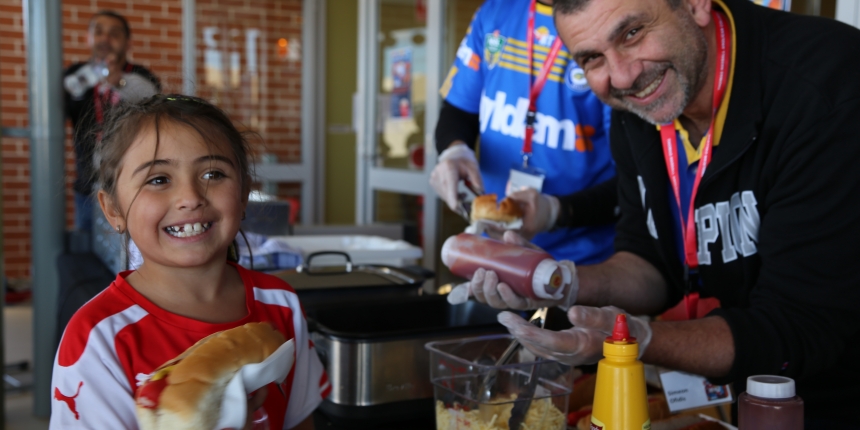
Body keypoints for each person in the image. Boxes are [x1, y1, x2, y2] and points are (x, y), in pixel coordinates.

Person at [455, 0, 860, 426]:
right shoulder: (639, 106)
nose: (623, 77)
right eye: (593, 58)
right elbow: (648, 263)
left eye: (632, 34)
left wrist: (629, 339)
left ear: (695, 5)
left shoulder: (825, 85)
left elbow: (800, 324)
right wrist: (562, 281)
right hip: (735, 399)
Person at [49, 95, 327, 430]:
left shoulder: (282, 304)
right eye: (158, 179)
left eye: (213, 173)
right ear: (113, 210)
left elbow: (300, 422)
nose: (190, 198)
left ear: (242, 196)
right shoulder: (97, 339)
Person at [432, 0, 618, 265]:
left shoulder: (605, 14)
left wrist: (555, 212)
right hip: (494, 251)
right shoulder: (496, 11)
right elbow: (458, 109)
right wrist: (454, 150)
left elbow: (634, 178)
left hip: (583, 263)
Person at [64, 10, 160, 232]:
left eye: (114, 33)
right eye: (99, 32)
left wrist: (120, 83)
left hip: (132, 186)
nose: (105, 39)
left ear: (128, 43)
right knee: (88, 254)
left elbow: (152, 97)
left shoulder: (140, 75)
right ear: (89, 38)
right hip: (87, 187)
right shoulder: (77, 75)